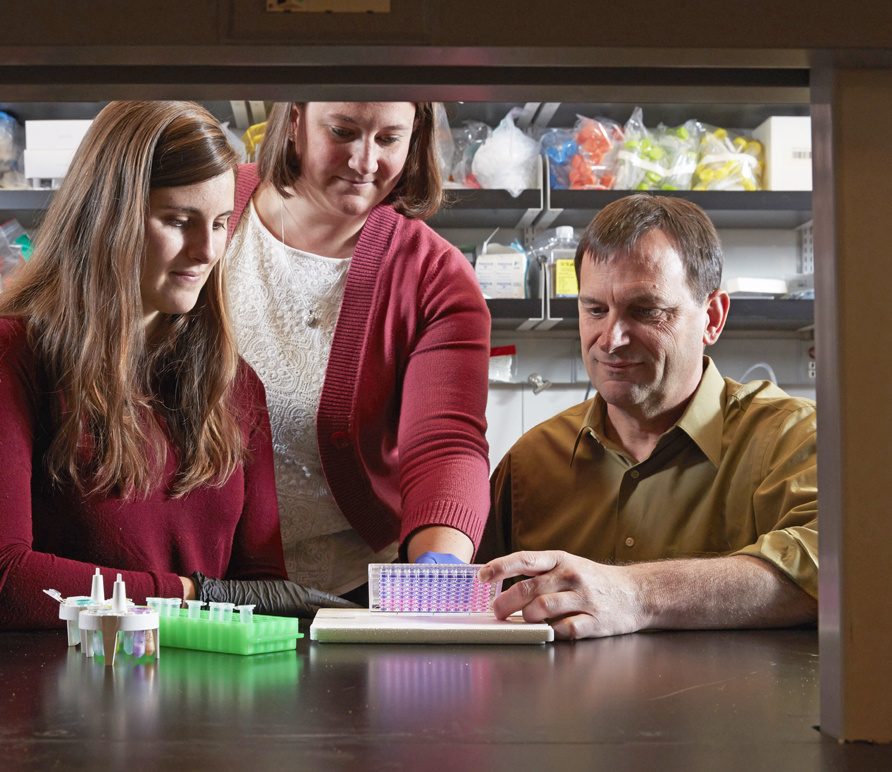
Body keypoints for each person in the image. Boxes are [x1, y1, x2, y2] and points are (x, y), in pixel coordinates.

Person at [0, 101, 350, 630]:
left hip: (200, 705)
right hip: (53, 704)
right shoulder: (6, 355)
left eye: (222, 223)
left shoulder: (235, 386)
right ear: (108, 217)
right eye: (178, 221)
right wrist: (192, 595)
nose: (206, 250)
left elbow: (260, 595)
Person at [477, 195, 818, 640]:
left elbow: (838, 564)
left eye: (646, 311)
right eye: (595, 310)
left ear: (712, 317)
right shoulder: (532, 462)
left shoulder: (789, 439)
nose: (611, 339)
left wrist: (634, 594)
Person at [225, 102, 491, 600]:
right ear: (297, 119)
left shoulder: (436, 275)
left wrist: (440, 568)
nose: (365, 161)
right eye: (343, 132)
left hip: (351, 588)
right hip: (202, 585)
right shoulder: (209, 207)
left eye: (389, 139)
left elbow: (445, 443)